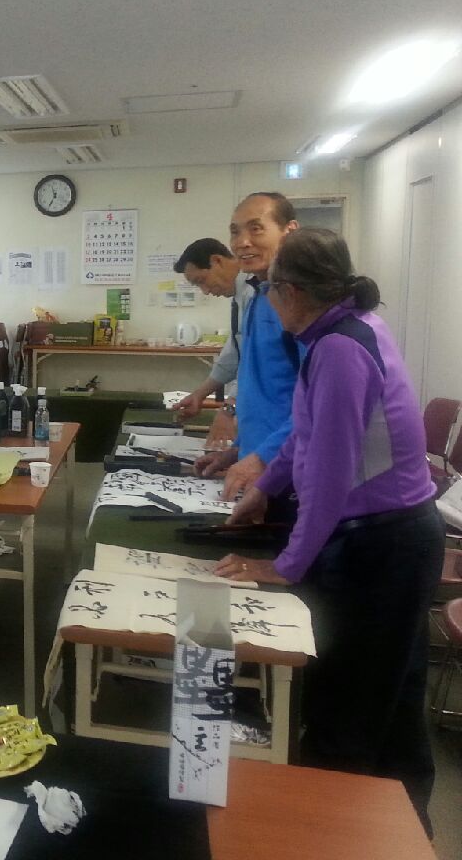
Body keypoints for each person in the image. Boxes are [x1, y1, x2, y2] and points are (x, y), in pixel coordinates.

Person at [213, 228, 443, 831]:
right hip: (391, 536)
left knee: (353, 704)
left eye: (270, 290)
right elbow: (304, 432)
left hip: (385, 543)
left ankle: (336, 833)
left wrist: (285, 565)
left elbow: (329, 477)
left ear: (289, 291)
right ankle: (398, 830)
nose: (268, 302)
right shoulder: (339, 332)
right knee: (391, 696)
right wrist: (264, 489)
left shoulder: (340, 350)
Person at [193, 193, 300, 500]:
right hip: (259, 463)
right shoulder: (260, 296)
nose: (242, 242)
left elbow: (318, 407)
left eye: (256, 228)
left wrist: (262, 457)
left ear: (289, 231)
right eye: (235, 232)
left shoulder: (304, 304)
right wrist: (237, 450)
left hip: (290, 468)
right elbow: (257, 381)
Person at [171, 238, 248, 428]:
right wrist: (200, 394)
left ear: (217, 261)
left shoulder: (255, 292)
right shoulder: (239, 296)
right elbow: (233, 353)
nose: (205, 291)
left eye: (201, 281)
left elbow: (260, 360)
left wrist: (230, 407)